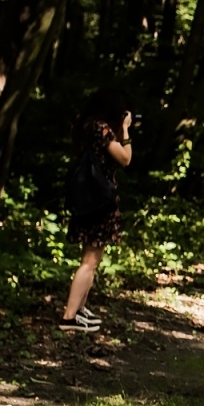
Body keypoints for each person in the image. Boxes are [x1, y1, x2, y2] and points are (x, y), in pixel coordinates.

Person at [60, 90, 133, 333]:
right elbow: (125, 158)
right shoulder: (102, 129)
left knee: (92, 258)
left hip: (88, 197)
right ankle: (70, 316)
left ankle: (79, 311)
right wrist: (125, 130)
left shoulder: (84, 124)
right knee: (90, 261)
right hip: (98, 200)